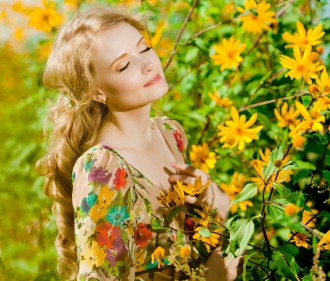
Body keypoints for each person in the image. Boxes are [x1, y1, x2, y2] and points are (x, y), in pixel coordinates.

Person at [36, 4, 245, 281]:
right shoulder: (102, 168)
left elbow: (192, 244)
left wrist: (213, 201)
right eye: (123, 65)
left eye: (145, 48)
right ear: (95, 91)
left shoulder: (171, 134)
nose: (148, 65)